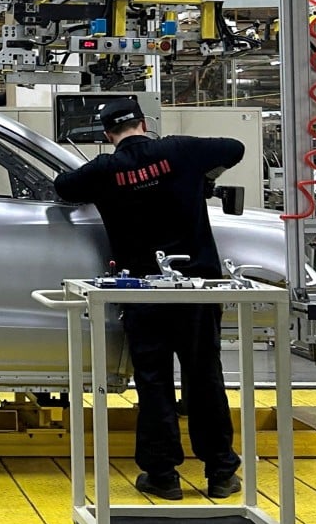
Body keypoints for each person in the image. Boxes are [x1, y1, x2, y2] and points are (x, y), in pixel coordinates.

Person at [53, 97, 245, 500]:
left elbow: (63, 187)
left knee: (153, 380)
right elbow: (234, 148)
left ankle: (163, 476)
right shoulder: (180, 149)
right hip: (197, 289)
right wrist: (205, 176)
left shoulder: (105, 169)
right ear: (144, 122)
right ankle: (221, 473)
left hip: (142, 288)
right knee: (205, 375)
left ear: (108, 135)